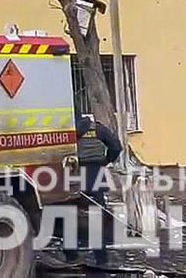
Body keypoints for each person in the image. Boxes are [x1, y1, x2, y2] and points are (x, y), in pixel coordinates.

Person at [74, 111, 123, 266]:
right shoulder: (99, 129)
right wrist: (106, 161)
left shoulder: (69, 131)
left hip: (75, 177)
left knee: (70, 216)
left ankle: (72, 256)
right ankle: (101, 258)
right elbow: (116, 147)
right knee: (97, 217)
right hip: (96, 176)